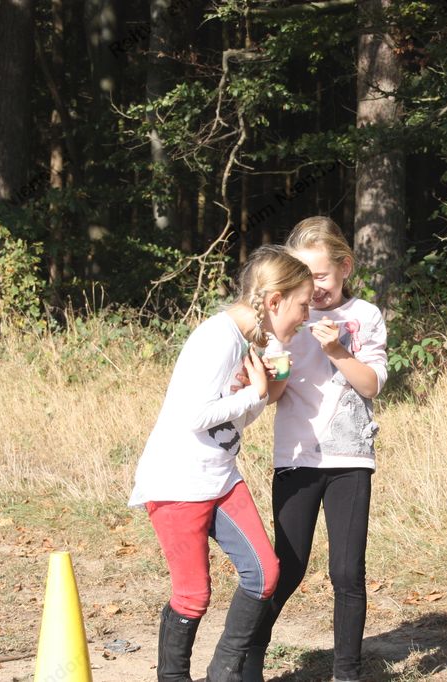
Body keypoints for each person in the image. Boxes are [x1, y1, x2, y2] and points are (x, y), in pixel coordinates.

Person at [128, 245, 313, 682]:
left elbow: (233, 419)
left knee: (264, 573)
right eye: (303, 305)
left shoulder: (246, 341)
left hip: (221, 478)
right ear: (274, 301)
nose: (306, 316)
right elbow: (194, 417)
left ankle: (223, 674)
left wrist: (264, 389)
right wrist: (254, 392)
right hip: (178, 483)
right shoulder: (216, 338)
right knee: (192, 596)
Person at [245, 217, 388, 682]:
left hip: (350, 460)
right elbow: (274, 396)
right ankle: (246, 657)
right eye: (305, 277)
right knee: (287, 568)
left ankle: (347, 673)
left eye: (322, 275)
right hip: (296, 458)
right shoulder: (289, 315)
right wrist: (272, 374)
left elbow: (371, 385)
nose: (314, 288)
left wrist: (339, 352)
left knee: (347, 573)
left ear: (345, 267)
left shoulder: (365, 315)